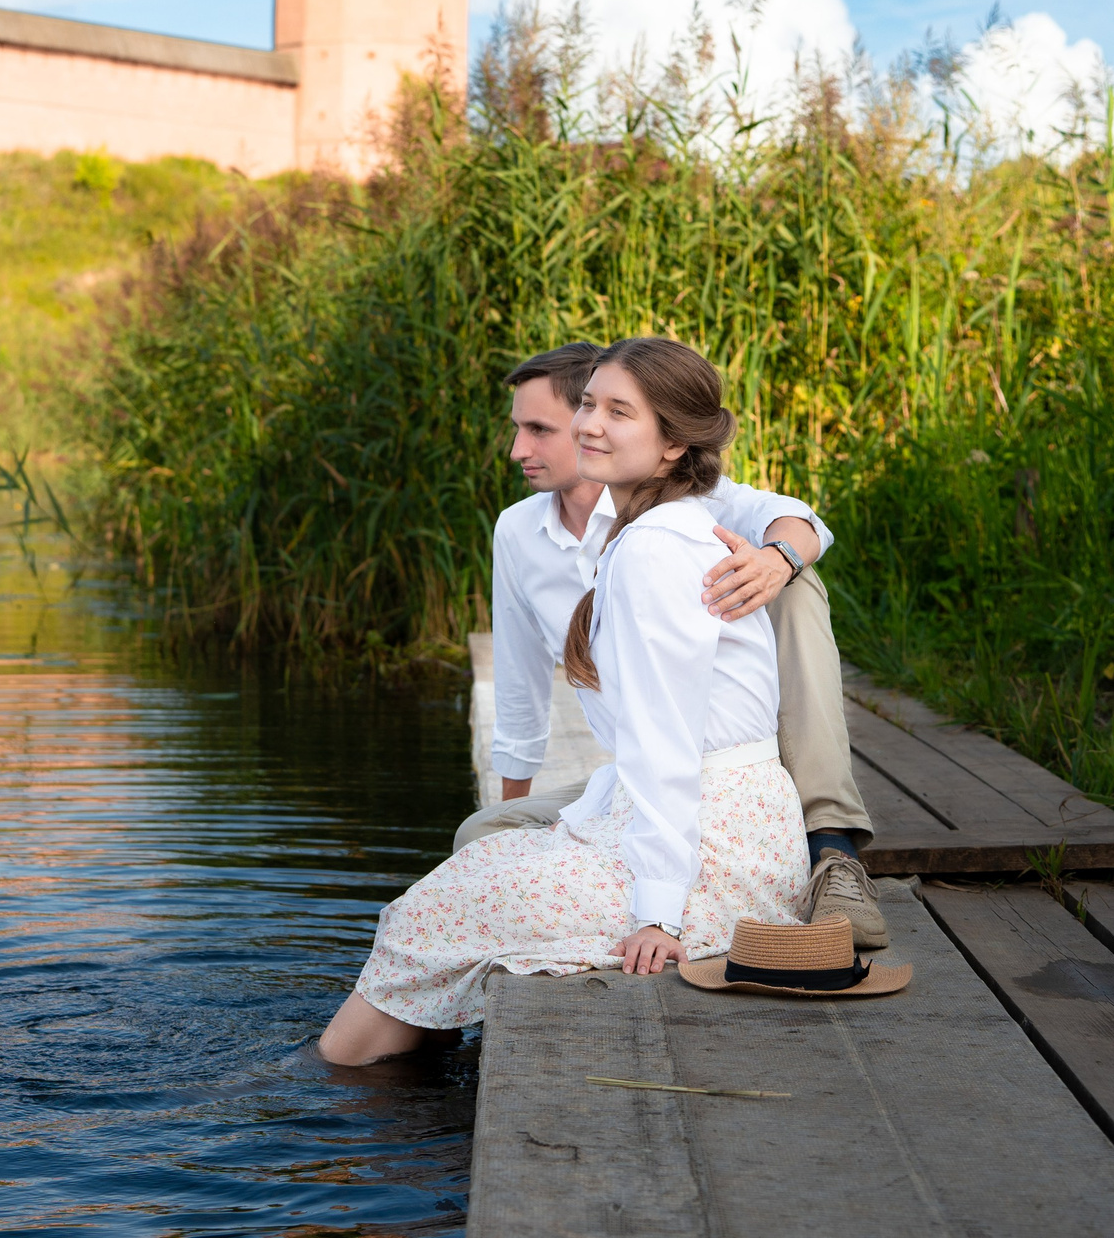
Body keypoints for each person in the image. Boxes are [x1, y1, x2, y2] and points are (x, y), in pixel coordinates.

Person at [319, 337, 813, 1065]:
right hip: (716, 822)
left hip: (720, 848)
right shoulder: (649, 532)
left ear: (674, 443)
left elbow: (662, 744)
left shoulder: (656, 547)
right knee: (465, 880)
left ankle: (340, 1087)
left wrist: (659, 914)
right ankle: (378, 1081)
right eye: (587, 404)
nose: (590, 424)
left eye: (619, 412)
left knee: (433, 909)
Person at [457, 342, 881, 947]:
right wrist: (517, 810)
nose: (518, 450)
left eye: (538, 429)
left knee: (793, 578)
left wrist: (778, 558)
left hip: (727, 772)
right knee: (482, 838)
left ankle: (831, 848)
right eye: (580, 410)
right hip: (639, 771)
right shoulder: (519, 530)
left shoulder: (688, 508)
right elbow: (520, 688)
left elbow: (798, 518)